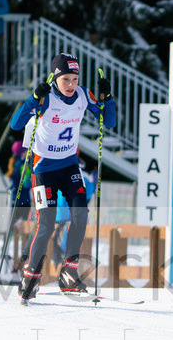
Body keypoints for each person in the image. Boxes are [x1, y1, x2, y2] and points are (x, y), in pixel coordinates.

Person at [11, 53, 115, 300]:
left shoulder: (83, 95)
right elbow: (16, 124)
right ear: (56, 79)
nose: (71, 85)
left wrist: (107, 98)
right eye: (66, 79)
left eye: (75, 79)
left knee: (81, 214)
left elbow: (108, 122)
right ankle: (31, 276)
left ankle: (69, 274)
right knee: (45, 225)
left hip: (69, 166)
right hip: (43, 168)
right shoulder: (46, 99)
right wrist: (33, 99)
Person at [4, 139, 32, 274]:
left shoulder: (13, 163)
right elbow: (26, 183)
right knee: (24, 231)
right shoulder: (23, 163)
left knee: (12, 229)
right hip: (24, 202)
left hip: (14, 201)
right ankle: (22, 260)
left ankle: (5, 252)